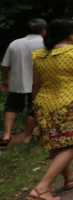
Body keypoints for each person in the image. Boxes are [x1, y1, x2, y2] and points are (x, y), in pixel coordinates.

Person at [26, 18, 73, 200]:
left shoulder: (39, 55)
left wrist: (35, 106)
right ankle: (42, 188)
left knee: (55, 144)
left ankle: (70, 177)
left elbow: (36, 84)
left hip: (44, 103)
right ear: (69, 35)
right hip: (70, 103)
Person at [1, 19, 46, 147]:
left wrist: (5, 79)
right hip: (38, 84)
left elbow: (5, 65)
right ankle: (28, 135)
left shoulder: (15, 43)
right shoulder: (45, 43)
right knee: (34, 109)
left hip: (17, 82)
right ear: (43, 30)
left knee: (11, 107)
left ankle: (7, 134)